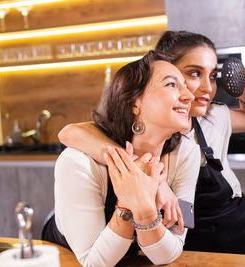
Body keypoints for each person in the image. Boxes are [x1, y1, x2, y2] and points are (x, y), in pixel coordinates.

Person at [58, 31, 245, 254]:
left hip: (238, 223)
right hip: (193, 238)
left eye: (213, 75)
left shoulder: (213, 116)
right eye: (195, 73)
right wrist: (144, 176)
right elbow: (70, 132)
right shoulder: (146, 129)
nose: (207, 87)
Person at [42, 51, 200, 266]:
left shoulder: (186, 153)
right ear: (135, 103)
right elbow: (94, 262)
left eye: (185, 85)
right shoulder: (78, 162)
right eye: (171, 85)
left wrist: (144, 209)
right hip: (67, 255)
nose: (189, 96)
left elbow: (168, 254)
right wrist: (128, 201)